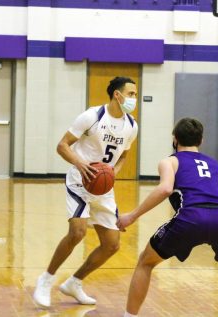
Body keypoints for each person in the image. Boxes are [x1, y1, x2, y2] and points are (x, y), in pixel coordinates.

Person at [117, 117, 218, 317]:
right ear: (200, 141)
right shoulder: (216, 166)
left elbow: (165, 189)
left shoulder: (170, 161)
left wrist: (131, 216)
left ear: (175, 139)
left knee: (146, 262)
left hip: (191, 217)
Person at [33, 77, 139, 308]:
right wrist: (82, 165)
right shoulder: (92, 116)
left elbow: (123, 155)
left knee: (112, 245)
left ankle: (74, 282)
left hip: (103, 187)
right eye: (131, 94)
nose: (134, 99)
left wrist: (113, 172)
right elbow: (62, 145)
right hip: (80, 182)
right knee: (77, 232)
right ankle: (46, 279)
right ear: (117, 95)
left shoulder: (131, 126)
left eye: (135, 94)